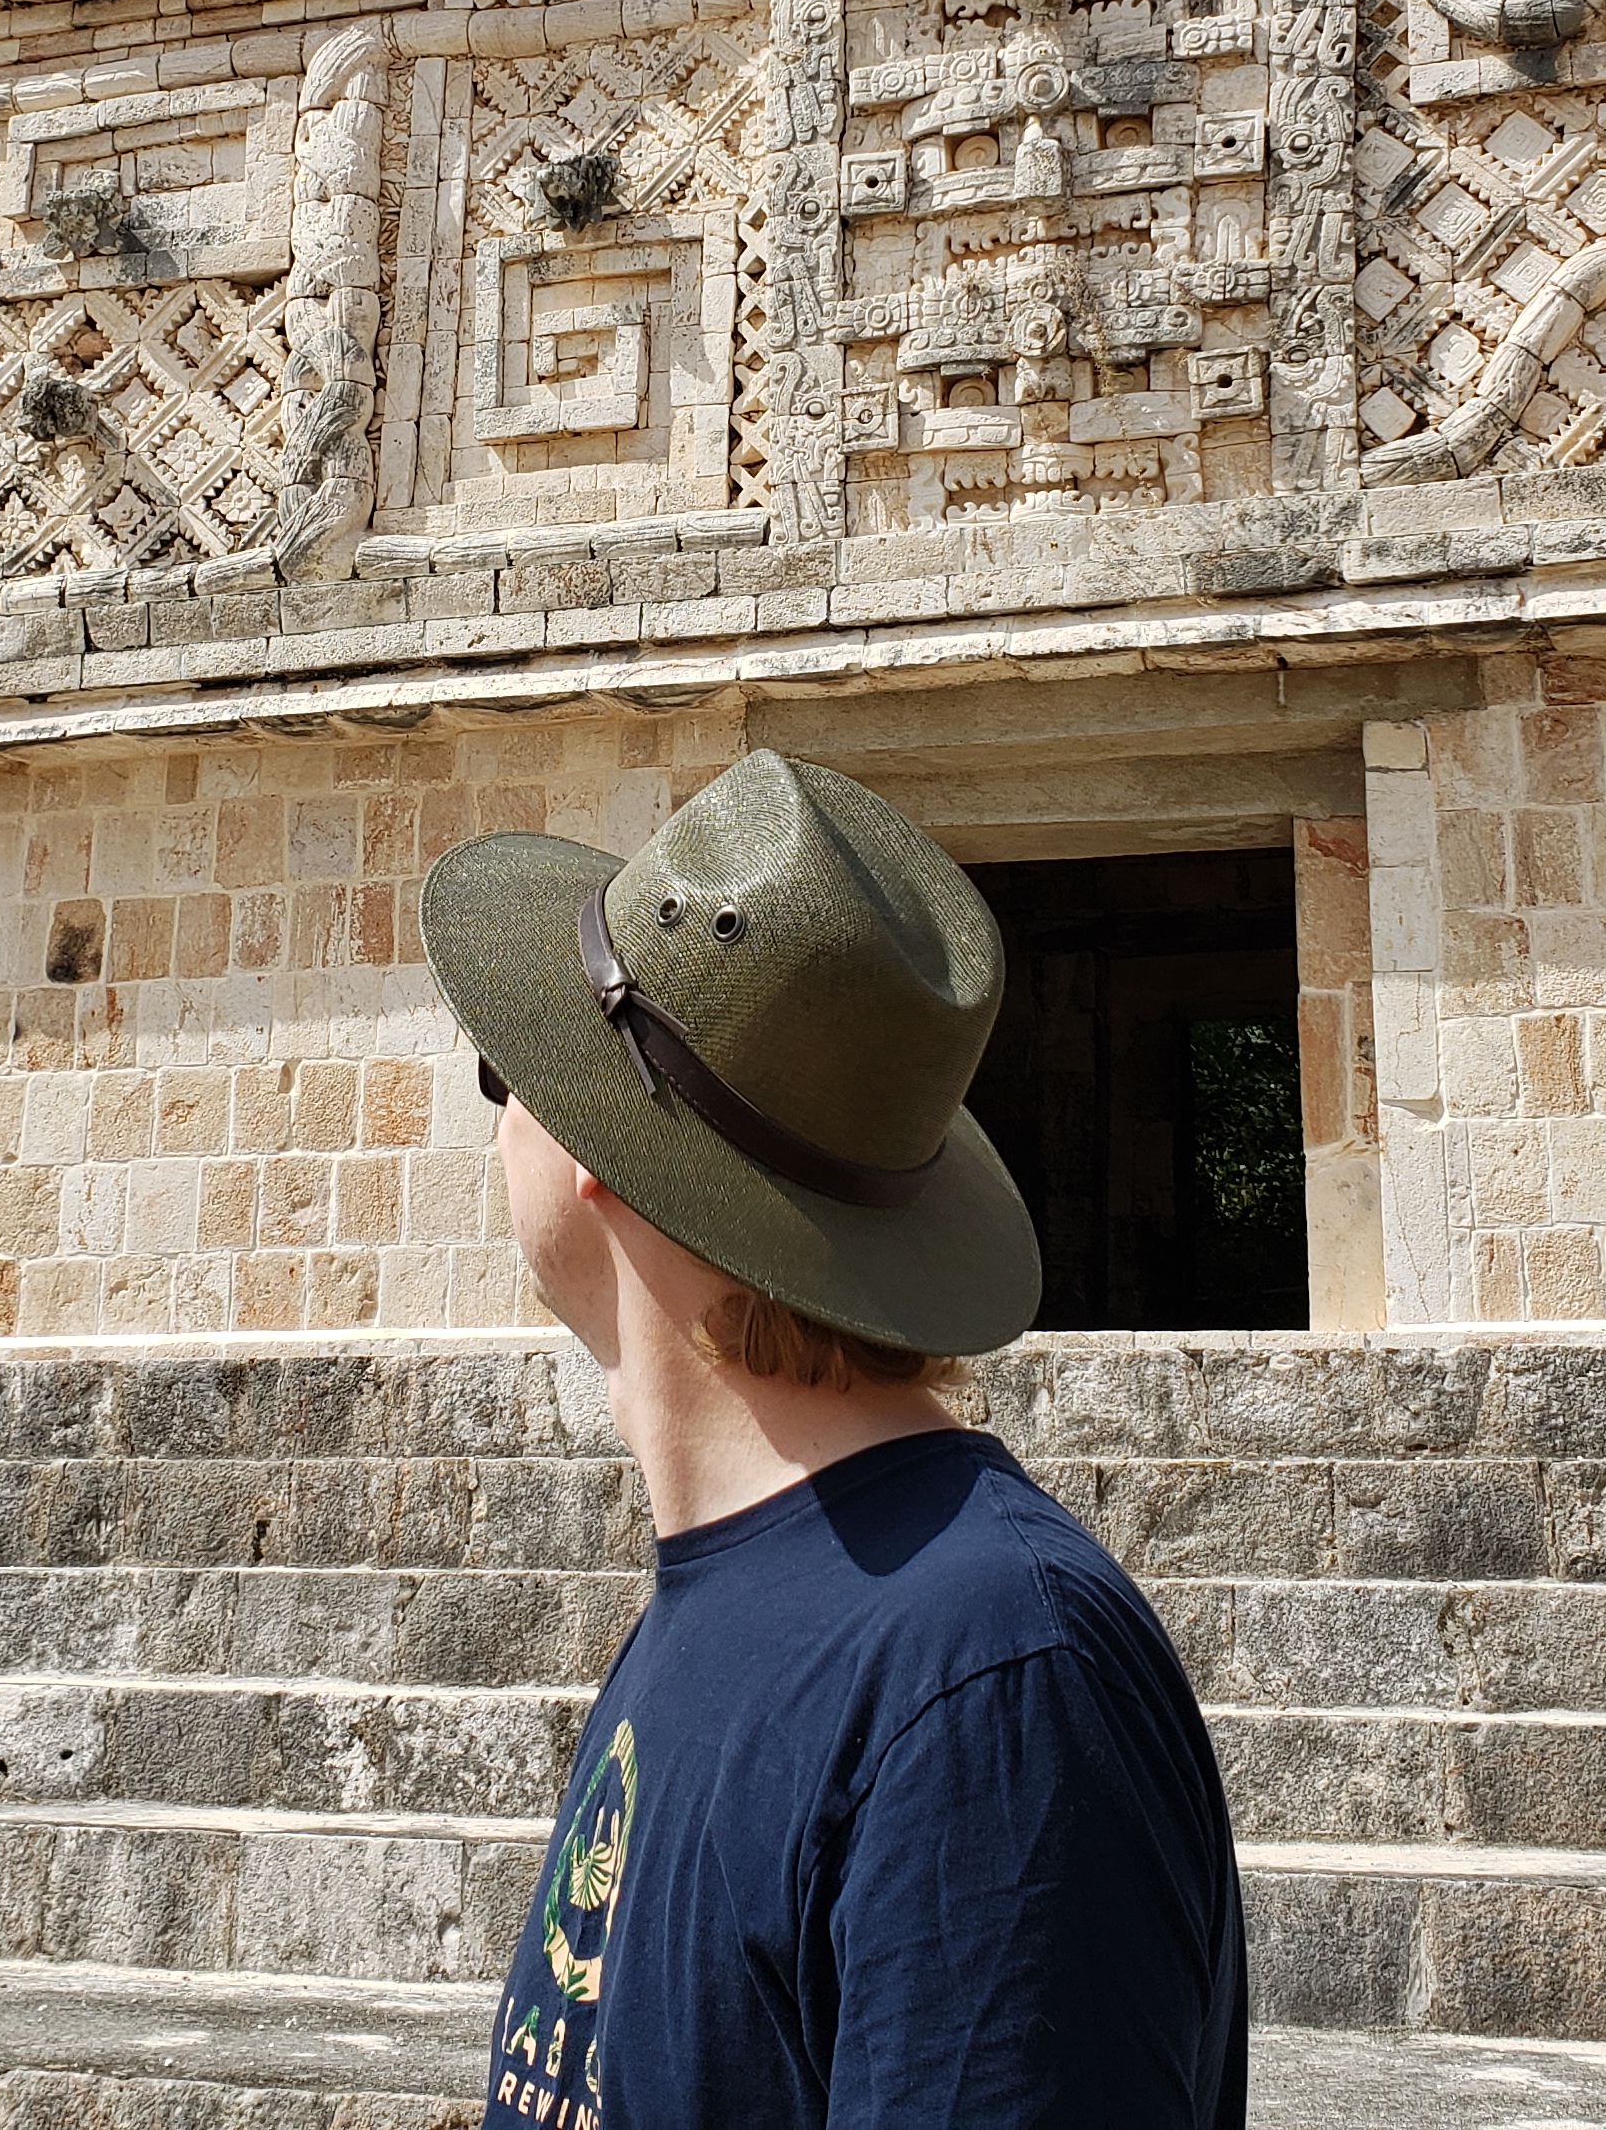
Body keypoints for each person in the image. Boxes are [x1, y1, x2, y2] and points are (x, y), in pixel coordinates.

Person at [422, 747, 1249, 2129]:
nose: (500, 1116)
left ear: (594, 1153)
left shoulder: (986, 1681)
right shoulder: (747, 1601)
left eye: (504, 1070)